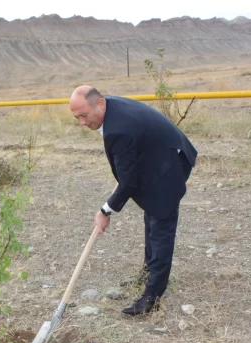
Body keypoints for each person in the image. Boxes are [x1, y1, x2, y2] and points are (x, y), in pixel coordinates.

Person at [69, 86, 197, 316]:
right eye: (77, 117)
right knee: (151, 211)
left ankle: (152, 295)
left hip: (170, 164)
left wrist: (105, 210)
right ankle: (149, 273)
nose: (82, 122)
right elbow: (128, 171)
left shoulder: (119, 130)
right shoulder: (111, 108)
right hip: (156, 158)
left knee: (160, 225)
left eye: (84, 115)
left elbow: (127, 182)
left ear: (100, 103)